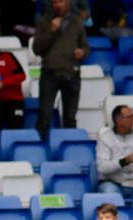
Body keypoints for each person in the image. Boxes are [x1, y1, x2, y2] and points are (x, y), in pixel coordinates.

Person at [32, 0, 89, 139]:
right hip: (49, 74)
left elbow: (85, 46)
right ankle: (40, 149)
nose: (58, 5)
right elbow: (37, 49)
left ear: (68, 3)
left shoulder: (77, 21)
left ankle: (69, 148)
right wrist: (51, 30)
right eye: (55, 2)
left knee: (70, 117)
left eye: (61, 2)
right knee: (44, 116)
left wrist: (82, 52)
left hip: (72, 74)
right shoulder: (44, 21)